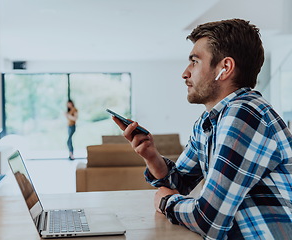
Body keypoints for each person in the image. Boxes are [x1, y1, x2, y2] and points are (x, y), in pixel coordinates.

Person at [112, 19, 292, 239]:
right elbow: (182, 182)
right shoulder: (208, 122)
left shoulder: (245, 114)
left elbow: (209, 220)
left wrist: (167, 203)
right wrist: (151, 156)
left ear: (224, 68)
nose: (185, 73)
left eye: (195, 61)